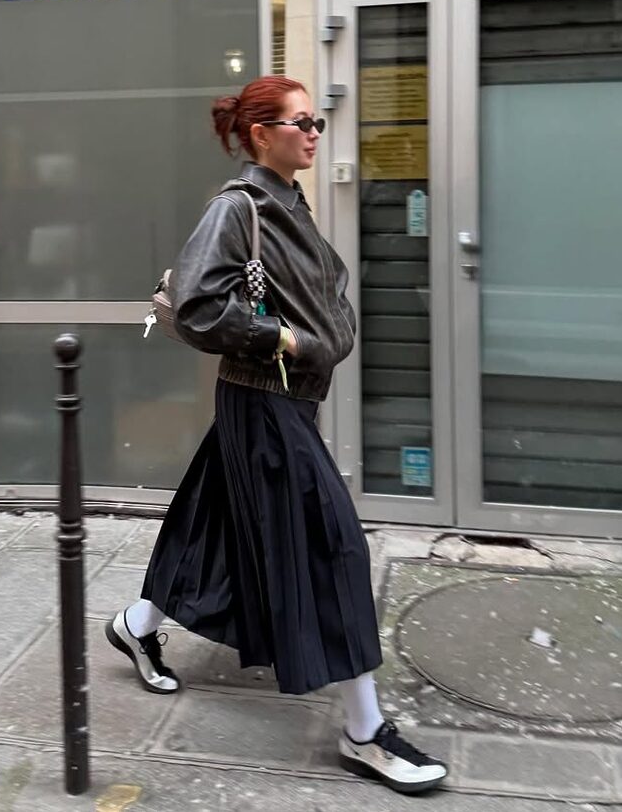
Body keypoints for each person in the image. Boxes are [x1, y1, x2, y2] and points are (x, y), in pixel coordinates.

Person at [106, 76, 448, 795]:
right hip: (264, 399)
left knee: (211, 521)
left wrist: (324, 327)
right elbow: (198, 306)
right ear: (262, 134)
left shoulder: (289, 203)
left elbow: (319, 287)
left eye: (317, 121)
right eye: (302, 122)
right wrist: (283, 338)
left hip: (279, 400)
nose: (315, 133)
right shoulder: (238, 207)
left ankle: (136, 625)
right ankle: (364, 731)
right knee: (334, 545)